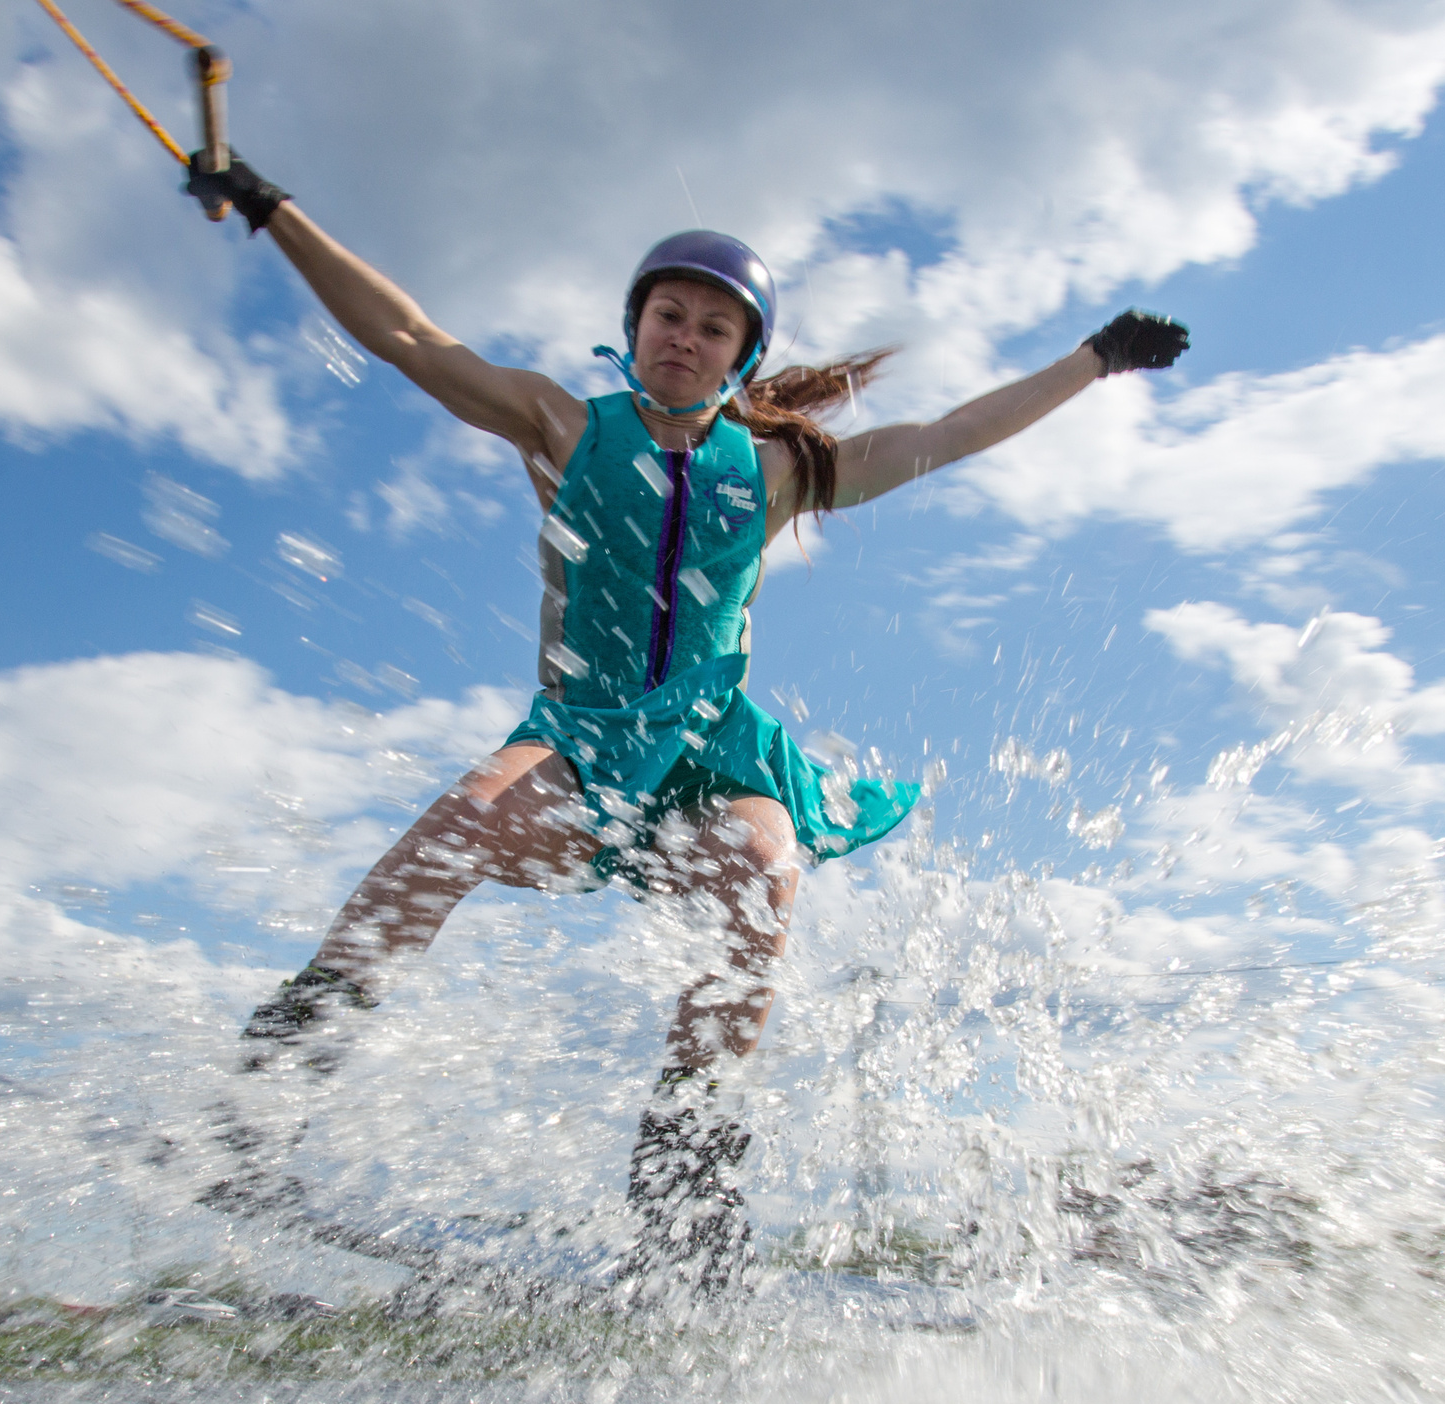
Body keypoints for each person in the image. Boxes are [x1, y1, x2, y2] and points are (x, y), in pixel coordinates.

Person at [180, 154, 1187, 1294]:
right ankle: (262, 1103)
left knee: (764, 871)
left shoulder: (779, 468)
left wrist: (1094, 359)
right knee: (456, 828)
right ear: (635, 325)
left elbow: (950, 433)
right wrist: (271, 208)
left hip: (712, 756)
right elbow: (407, 336)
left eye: (714, 328)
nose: (685, 338)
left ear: (740, 357)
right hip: (581, 741)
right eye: (669, 315)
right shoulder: (560, 424)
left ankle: (685, 1188)